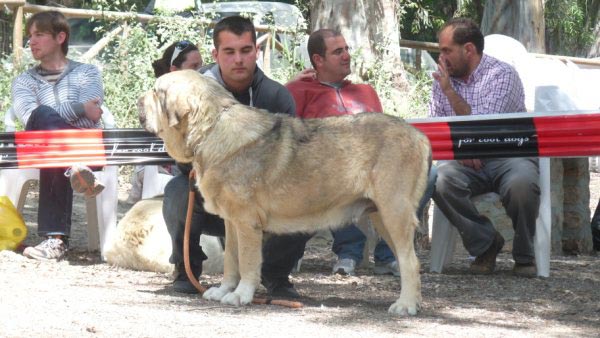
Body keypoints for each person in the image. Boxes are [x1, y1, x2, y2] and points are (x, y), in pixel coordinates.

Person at [162, 15, 311, 298]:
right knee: (177, 190)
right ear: (216, 54)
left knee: (306, 194)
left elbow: (293, 161)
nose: (238, 59)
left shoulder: (277, 97)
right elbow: (181, 156)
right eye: (229, 52)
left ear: (257, 51)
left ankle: (275, 275)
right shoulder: (192, 93)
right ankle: (186, 270)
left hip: (265, 202)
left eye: (245, 50)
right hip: (211, 199)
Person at [286, 29, 436, 277]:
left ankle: (390, 255)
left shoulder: (365, 91)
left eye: (346, 49)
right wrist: (290, 83)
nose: (346, 55)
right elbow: (280, 130)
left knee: (429, 176)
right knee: (339, 177)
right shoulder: (299, 91)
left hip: (375, 167)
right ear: (318, 60)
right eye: (338, 52)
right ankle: (349, 252)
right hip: (323, 170)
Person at [430, 18, 539, 277]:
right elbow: (435, 127)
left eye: (447, 50)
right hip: (466, 159)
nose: (441, 57)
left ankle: (525, 255)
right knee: (438, 180)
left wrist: (449, 92)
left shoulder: (501, 74)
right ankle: (486, 243)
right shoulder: (442, 80)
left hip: (508, 154)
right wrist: (462, 150)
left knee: (522, 184)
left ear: (468, 49)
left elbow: (485, 126)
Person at [11, 11, 106, 261]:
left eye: (39, 35)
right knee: (44, 128)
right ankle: (73, 166)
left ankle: (55, 240)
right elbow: (30, 117)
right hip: (56, 153)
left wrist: (82, 112)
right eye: (30, 36)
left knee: (50, 145)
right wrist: (78, 108)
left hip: (87, 151)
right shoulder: (22, 81)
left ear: (60, 37)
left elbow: (92, 116)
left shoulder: (88, 73)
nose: (31, 41)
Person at [127, 40, 203, 203]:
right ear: (174, 71)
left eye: (201, 66)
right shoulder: (155, 102)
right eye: (194, 67)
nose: (201, 73)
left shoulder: (202, 99)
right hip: (162, 171)